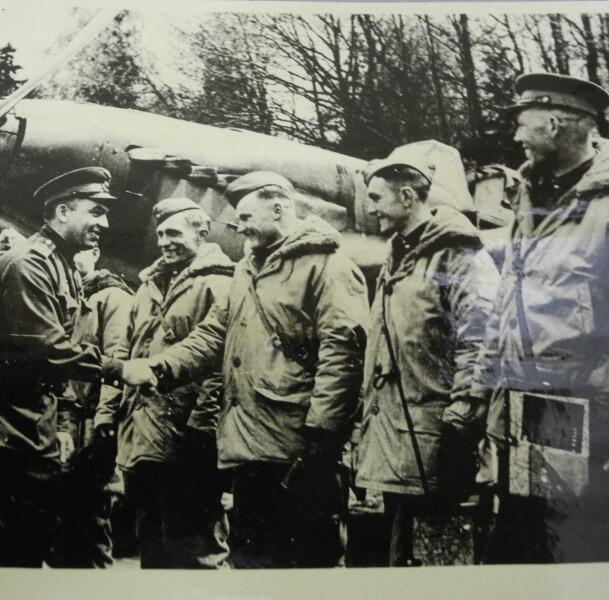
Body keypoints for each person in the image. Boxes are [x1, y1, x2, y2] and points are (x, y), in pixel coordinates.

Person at [125, 172, 370, 568]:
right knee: (253, 564)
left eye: (246, 216)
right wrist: (158, 367)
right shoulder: (245, 270)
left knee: (309, 568)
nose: (239, 227)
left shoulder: (328, 266)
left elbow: (343, 354)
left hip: (300, 452)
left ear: (280, 208)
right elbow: (212, 335)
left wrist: (320, 437)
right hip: (249, 449)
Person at [472, 72, 609, 563]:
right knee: (522, 552)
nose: (515, 137)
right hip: (523, 412)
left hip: (584, 417)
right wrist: (483, 390)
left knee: (571, 557)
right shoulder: (529, 199)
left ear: (554, 124)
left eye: (521, 123)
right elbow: (507, 303)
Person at [355, 142, 499, 567]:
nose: (371, 210)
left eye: (377, 198)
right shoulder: (399, 255)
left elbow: (482, 338)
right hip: (400, 443)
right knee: (403, 559)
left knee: (437, 565)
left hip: (440, 445)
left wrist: (462, 418)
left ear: (407, 197)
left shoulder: (458, 254)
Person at [0, 167, 124, 567]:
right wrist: (118, 369)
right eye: (96, 211)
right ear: (63, 211)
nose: (105, 223)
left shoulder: (63, 266)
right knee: (17, 553)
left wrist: (61, 427)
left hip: (34, 426)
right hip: (11, 433)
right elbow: (49, 348)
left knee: (31, 544)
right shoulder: (29, 265)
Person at [116, 197, 233, 569]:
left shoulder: (220, 283)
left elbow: (221, 361)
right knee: (152, 546)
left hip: (187, 437)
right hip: (142, 435)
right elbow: (125, 350)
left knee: (196, 548)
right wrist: (109, 414)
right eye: (161, 234)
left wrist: (202, 426)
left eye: (174, 233)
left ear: (202, 233)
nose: (165, 242)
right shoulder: (147, 286)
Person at [51, 246, 133, 568]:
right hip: (68, 422)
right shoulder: (71, 294)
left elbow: (118, 361)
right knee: (64, 524)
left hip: (91, 426)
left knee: (91, 523)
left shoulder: (114, 298)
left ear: (96, 253)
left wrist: (104, 421)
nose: (74, 257)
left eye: (82, 251)